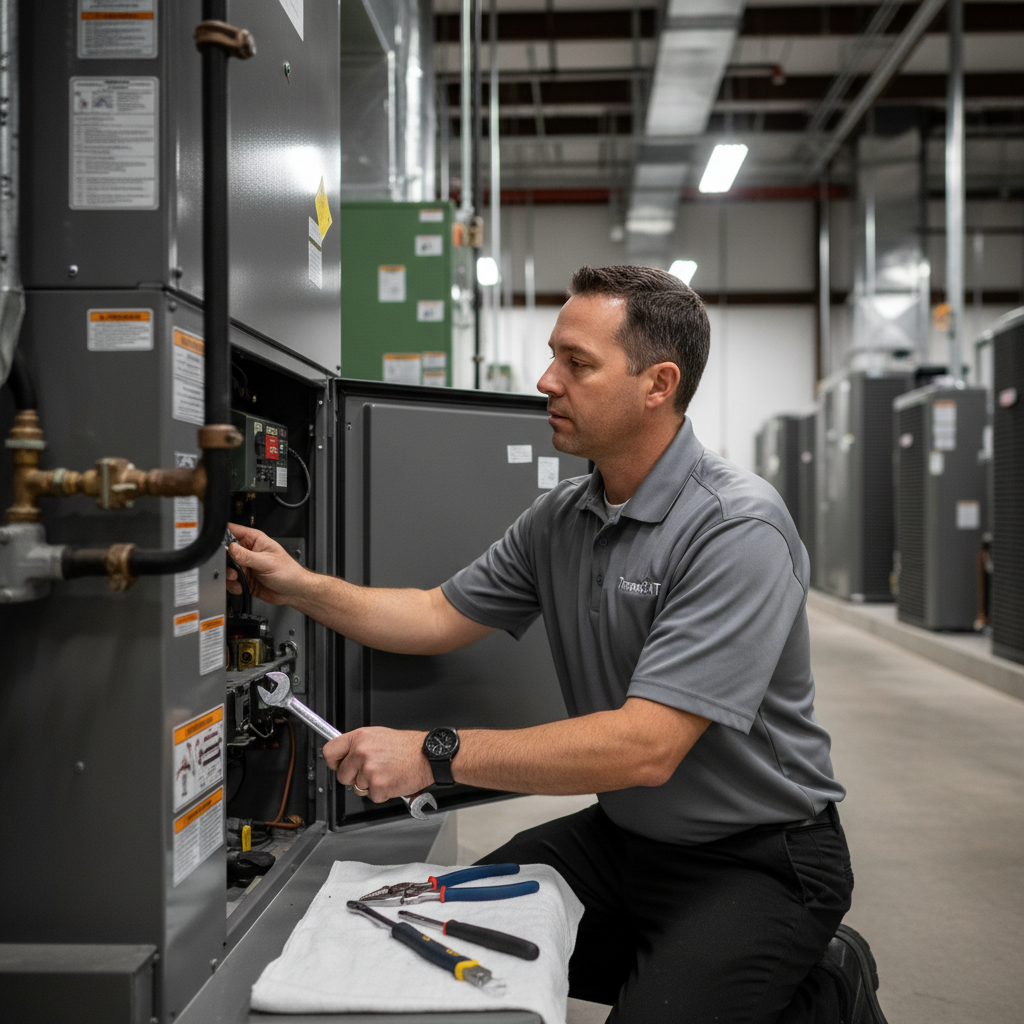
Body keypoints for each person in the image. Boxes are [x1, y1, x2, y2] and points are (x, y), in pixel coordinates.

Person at [227, 265, 889, 1024]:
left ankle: (820, 978)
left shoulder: (736, 528)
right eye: (553, 356)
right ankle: (762, 976)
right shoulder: (562, 516)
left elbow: (645, 748)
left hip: (759, 858)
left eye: (578, 363)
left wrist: (433, 753)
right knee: (426, 925)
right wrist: (298, 586)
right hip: (626, 839)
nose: (547, 381)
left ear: (658, 384)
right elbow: (436, 615)